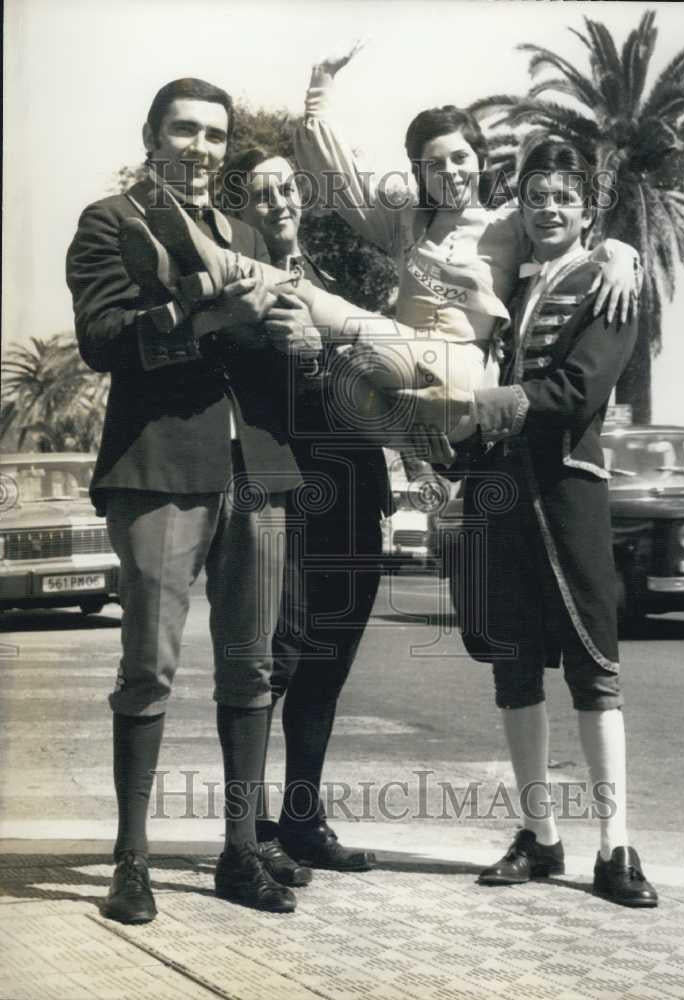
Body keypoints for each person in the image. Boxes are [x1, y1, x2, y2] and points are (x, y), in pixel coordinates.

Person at [119, 44, 640, 447]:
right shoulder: (404, 224)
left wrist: (621, 255)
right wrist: (321, 85)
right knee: (343, 358)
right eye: (433, 164)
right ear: (419, 171)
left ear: (479, 158)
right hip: (401, 359)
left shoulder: (511, 223)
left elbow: (568, 241)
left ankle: (220, 265)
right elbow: (336, 172)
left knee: (349, 343)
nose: (449, 172)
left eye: (459, 158)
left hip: (463, 366)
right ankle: (212, 261)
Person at [66, 77, 310, 923]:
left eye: (214, 135)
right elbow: (102, 340)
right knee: (149, 669)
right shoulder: (111, 222)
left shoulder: (248, 236)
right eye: (184, 131)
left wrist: (297, 338)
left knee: (250, 669)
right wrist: (205, 318)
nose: (200, 148)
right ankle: (129, 862)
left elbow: (275, 357)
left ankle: (240, 853)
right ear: (151, 135)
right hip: (160, 468)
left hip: (259, 472)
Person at [393, 140, 658, 908]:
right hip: (496, 493)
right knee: (512, 668)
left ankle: (616, 848)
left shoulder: (607, 282)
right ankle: (538, 837)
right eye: (535, 195)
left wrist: (478, 411)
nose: (547, 208)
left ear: (586, 210)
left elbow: (578, 390)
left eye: (564, 198)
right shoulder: (509, 279)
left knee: (591, 666)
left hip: (566, 491)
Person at [222, 147, 391, 876]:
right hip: (283, 492)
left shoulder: (339, 279)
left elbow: (390, 369)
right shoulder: (239, 289)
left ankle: (302, 819)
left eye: (287, 188)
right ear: (241, 211)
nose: (279, 202)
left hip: (355, 488)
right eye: (261, 195)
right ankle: (249, 830)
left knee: (328, 661)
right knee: (277, 659)